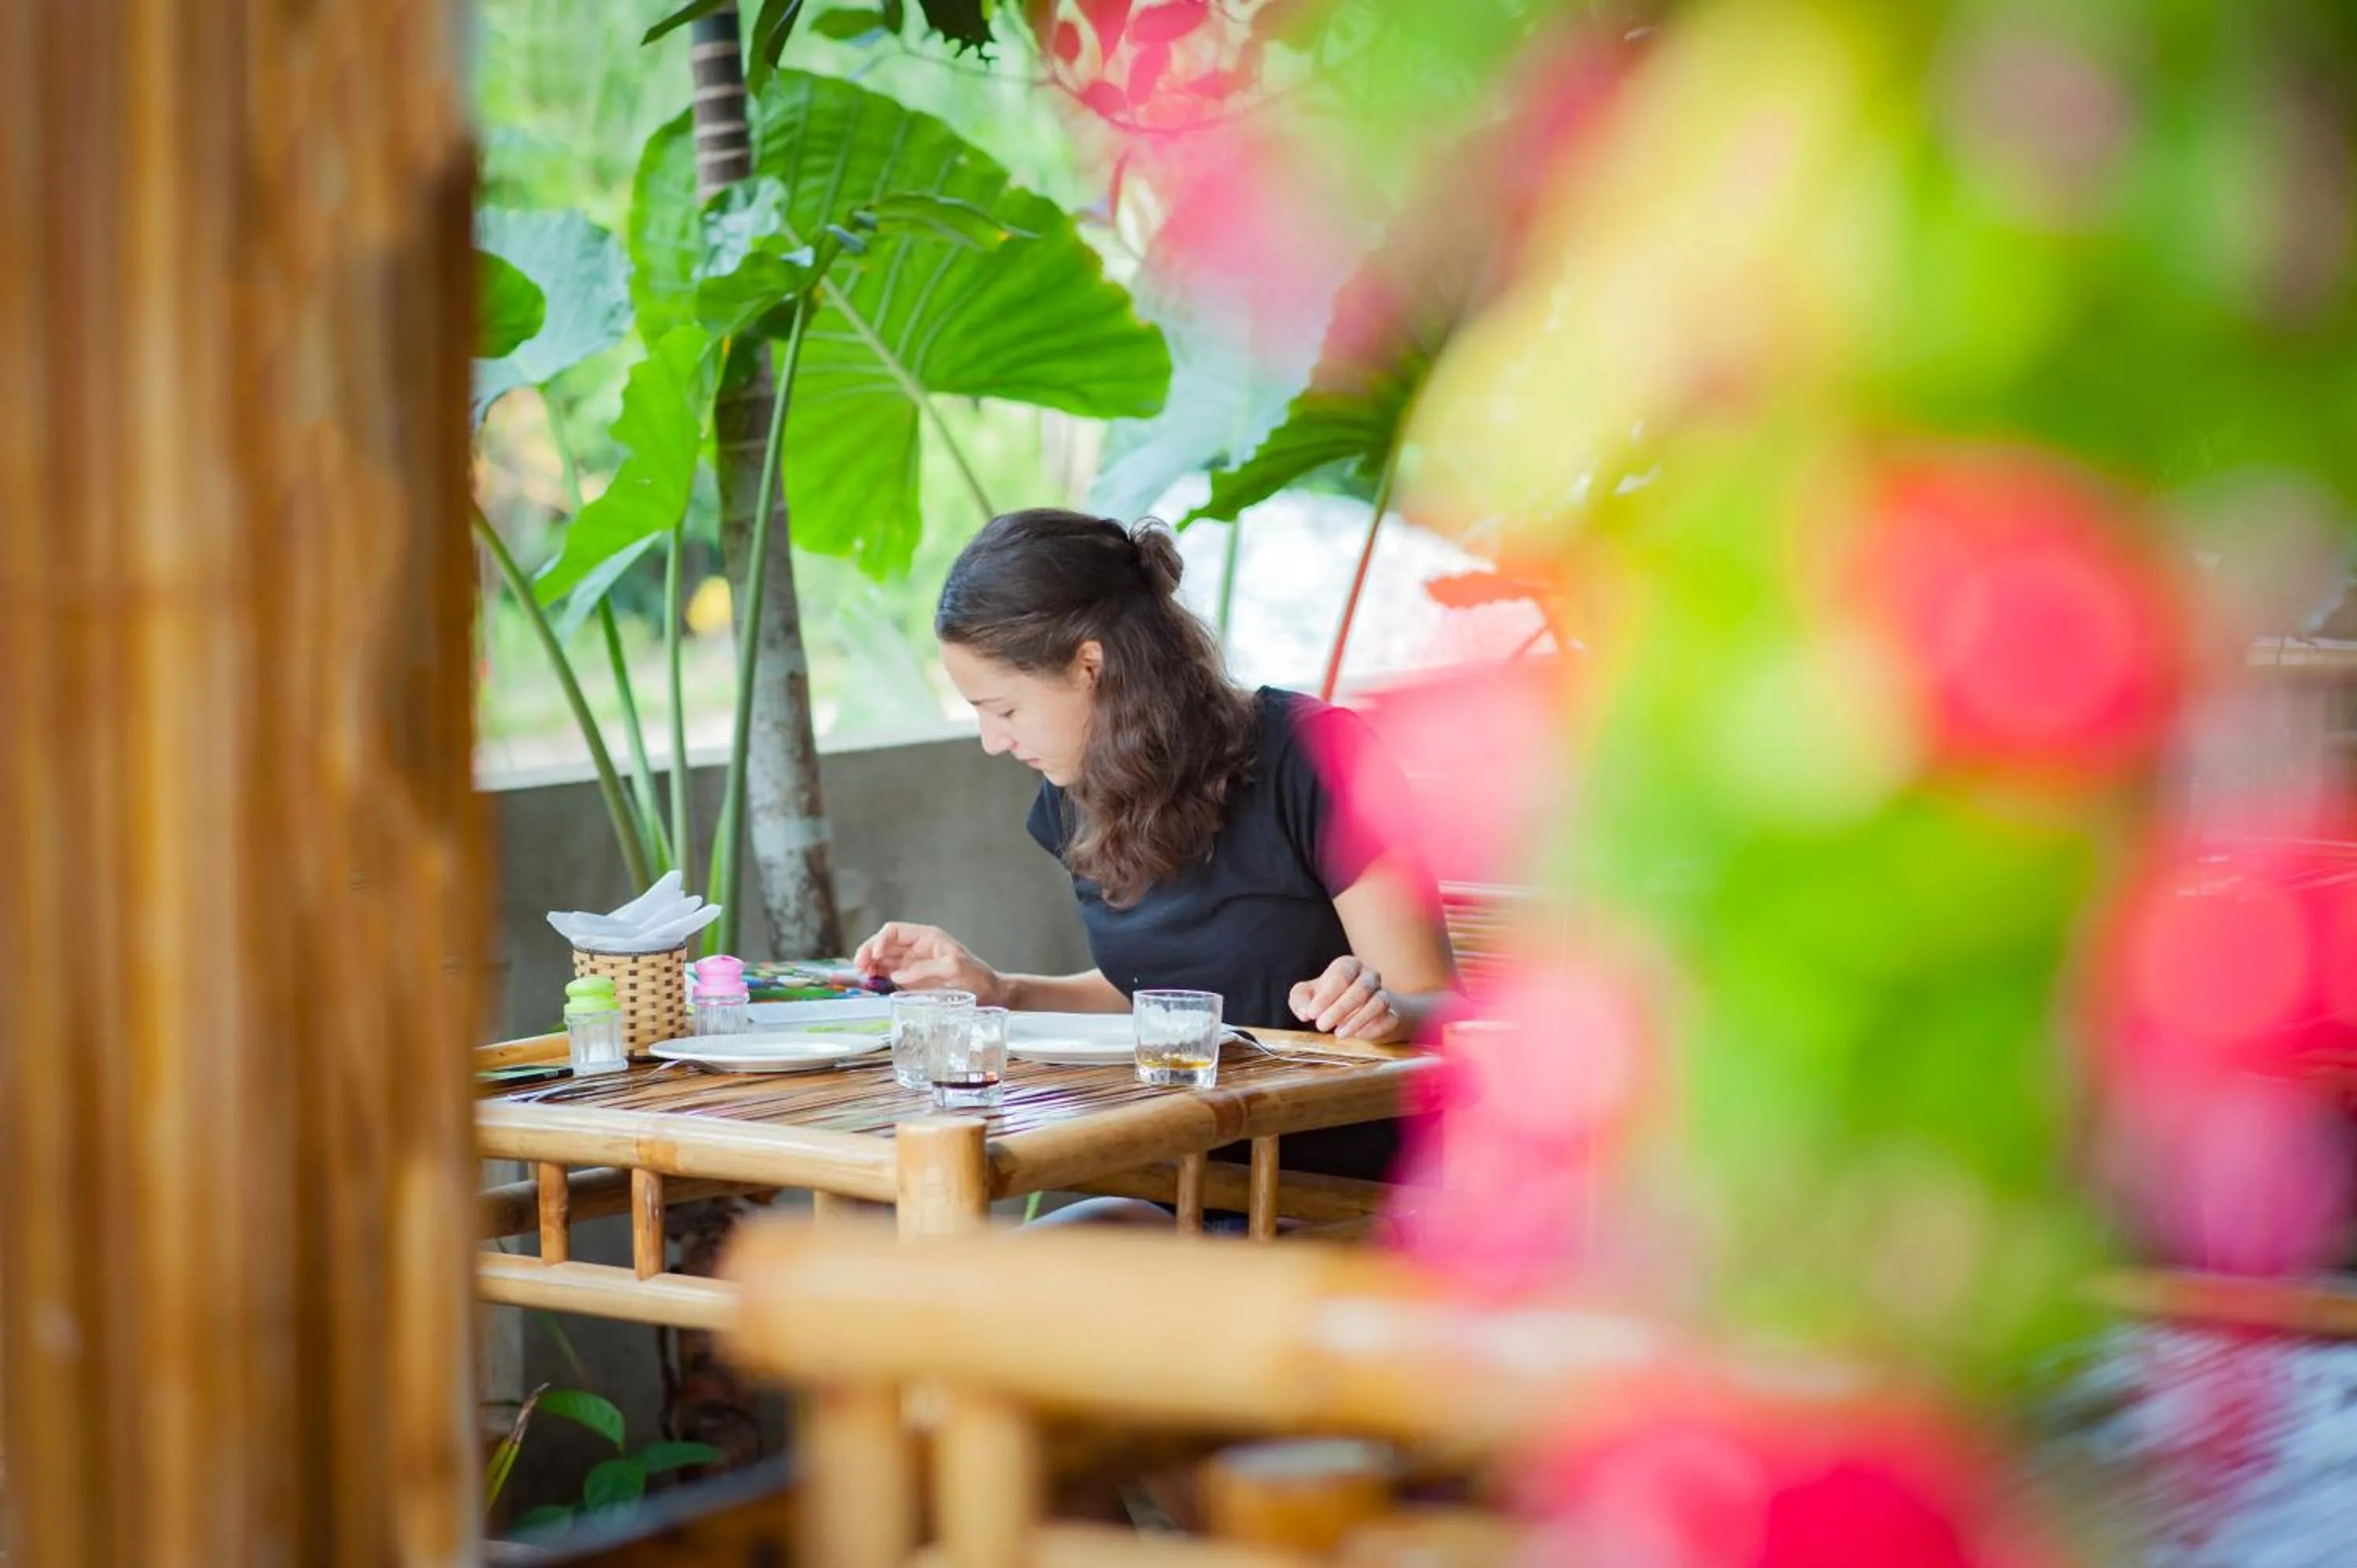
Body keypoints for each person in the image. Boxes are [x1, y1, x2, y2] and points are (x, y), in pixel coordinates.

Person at [853, 507, 1457, 1184]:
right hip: (1180, 1177)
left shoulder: (1314, 756)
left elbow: (1433, 996)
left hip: (1330, 1192)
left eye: (1004, 710)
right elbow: (1154, 995)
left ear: (1090, 664)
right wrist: (1001, 991)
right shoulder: (1074, 793)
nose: (994, 742)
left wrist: (1382, 1006)